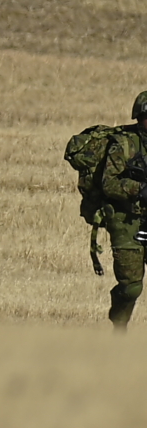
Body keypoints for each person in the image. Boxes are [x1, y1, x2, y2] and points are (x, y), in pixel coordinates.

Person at [80, 94, 147, 330]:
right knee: (130, 287)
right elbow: (109, 184)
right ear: (139, 119)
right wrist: (139, 189)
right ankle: (119, 326)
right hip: (126, 219)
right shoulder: (124, 144)